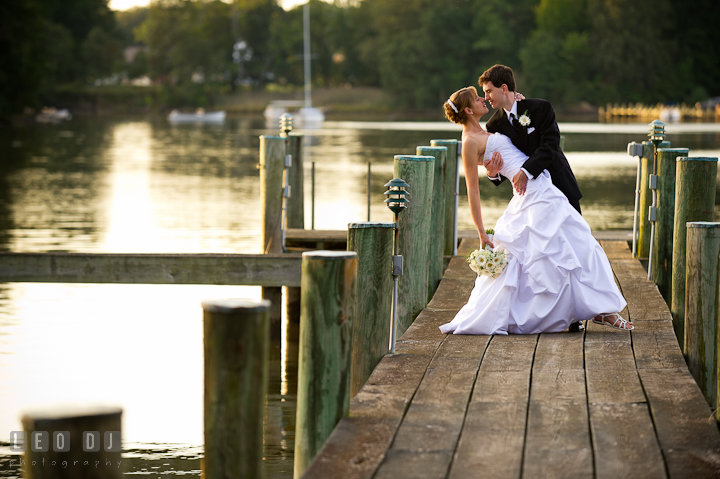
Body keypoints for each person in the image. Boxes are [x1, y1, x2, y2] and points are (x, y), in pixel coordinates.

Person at [437, 86, 631, 335]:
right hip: (529, 193)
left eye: (485, 93)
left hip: (542, 185)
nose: (483, 99)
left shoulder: (491, 126)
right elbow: (472, 191)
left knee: (571, 246)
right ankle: (568, 313)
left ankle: (588, 310)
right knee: (549, 252)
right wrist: (481, 232)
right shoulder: (469, 142)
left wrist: (516, 104)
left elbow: (516, 142)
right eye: (477, 98)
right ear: (467, 110)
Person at [480, 64, 583, 214]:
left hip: (560, 184)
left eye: (489, 91)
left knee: (576, 235)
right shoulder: (493, 125)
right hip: (530, 196)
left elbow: (551, 146)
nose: (486, 97)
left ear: (503, 88)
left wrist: (525, 171)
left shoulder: (540, 108)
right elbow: (506, 166)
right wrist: (492, 174)